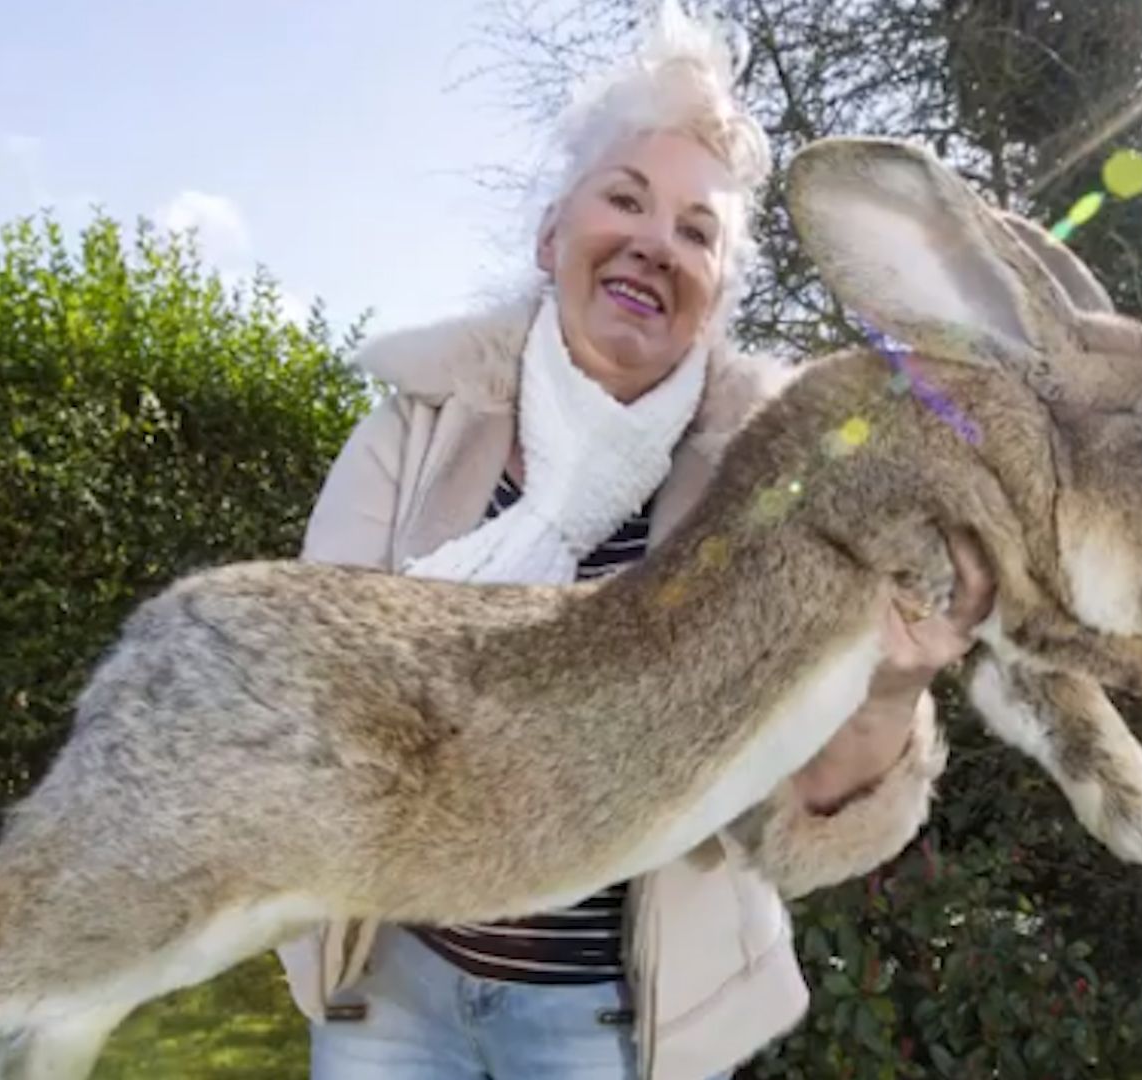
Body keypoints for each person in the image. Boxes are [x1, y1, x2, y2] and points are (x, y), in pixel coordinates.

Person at [275, 6, 996, 1078]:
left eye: (697, 232)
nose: (657, 243)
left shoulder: (782, 490)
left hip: (607, 1026)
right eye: (626, 199)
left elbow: (795, 825)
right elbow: (301, 692)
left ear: (711, 299)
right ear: (551, 235)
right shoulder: (413, 433)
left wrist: (889, 693)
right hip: (393, 990)